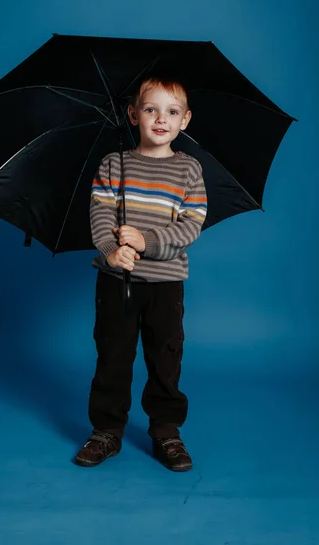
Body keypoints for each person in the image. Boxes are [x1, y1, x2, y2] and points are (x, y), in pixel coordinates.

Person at [74, 76, 207, 471]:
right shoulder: (114, 165)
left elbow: (190, 226)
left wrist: (145, 240)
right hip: (117, 283)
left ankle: (166, 429)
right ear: (134, 115)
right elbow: (98, 214)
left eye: (171, 112)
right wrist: (113, 251)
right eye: (151, 109)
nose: (160, 119)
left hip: (166, 284)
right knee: (113, 355)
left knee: (165, 358)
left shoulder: (188, 170)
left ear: (185, 120)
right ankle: (107, 431)